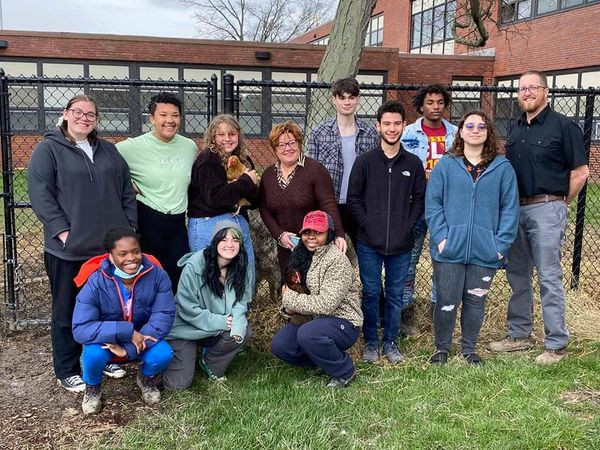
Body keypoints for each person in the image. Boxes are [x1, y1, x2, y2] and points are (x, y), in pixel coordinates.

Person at [28, 94, 137, 393]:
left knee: (107, 308)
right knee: (67, 310)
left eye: (91, 114)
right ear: (65, 114)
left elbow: (127, 191)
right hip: (68, 251)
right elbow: (41, 194)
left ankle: (105, 356)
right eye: (78, 112)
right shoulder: (48, 150)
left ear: (96, 120)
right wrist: (63, 232)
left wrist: (130, 229)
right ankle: (67, 368)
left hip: (107, 252)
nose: (84, 118)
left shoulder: (109, 152)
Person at [488, 70, 589, 364]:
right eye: (522, 89)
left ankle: (556, 343)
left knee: (548, 276)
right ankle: (519, 335)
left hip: (547, 207)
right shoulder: (517, 128)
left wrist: (560, 203)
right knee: (518, 275)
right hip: (515, 210)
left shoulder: (563, 127)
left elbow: (581, 172)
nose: (527, 93)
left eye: (533, 88)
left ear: (546, 92)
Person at [425, 111, 519, 366]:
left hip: (485, 251)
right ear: (461, 132)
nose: (475, 130)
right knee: (446, 300)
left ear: (488, 132)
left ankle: (469, 349)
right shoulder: (446, 165)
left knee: (476, 300)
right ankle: (442, 349)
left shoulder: (502, 168)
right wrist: (442, 238)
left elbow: (510, 209)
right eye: (470, 126)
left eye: (481, 126)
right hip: (449, 250)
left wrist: (499, 246)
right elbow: (433, 205)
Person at [347, 100, 426, 365]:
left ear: (404, 126)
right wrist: (368, 225)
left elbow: (419, 200)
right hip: (369, 242)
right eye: (387, 124)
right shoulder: (365, 162)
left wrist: (408, 227)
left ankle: (391, 342)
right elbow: (353, 199)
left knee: (395, 295)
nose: (392, 129)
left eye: (397, 123)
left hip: (402, 245)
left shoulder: (413, 164)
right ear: (378, 126)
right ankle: (370, 342)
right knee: (370, 293)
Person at [72, 228, 175, 414]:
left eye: (136, 251)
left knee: (162, 353)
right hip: (107, 340)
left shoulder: (158, 275)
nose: (132, 258)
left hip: (143, 338)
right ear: (110, 256)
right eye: (123, 254)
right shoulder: (96, 281)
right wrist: (127, 332)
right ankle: (93, 388)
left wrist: (128, 348)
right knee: (93, 355)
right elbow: (80, 328)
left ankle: (146, 378)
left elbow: (163, 316)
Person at [271, 211, 362, 388]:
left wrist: (289, 300)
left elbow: (326, 304)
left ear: (329, 233)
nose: (311, 237)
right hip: (314, 319)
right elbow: (297, 293)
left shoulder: (337, 260)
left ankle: (344, 371)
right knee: (280, 345)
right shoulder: (301, 256)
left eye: (318, 232)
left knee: (308, 334)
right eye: (307, 232)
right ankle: (323, 362)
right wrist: (289, 308)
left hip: (343, 321)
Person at [116, 92, 197, 289]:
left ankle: (174, 318)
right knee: (148, 278)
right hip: (148, 219)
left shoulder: (189, 147)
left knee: (178, 278)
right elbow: (104, 162)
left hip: (178, 223)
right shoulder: (131, 147)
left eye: (175, 115)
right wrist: (126, 183)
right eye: (163, 115)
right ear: (152, 118)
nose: (170, 120)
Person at [163, 221, 253, 389]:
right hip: (186, 329)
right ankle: (152, 371)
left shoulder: (242, 266)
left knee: (244, 331)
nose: (230, 245)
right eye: (224, 239)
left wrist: (237, 323)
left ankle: (211, 363)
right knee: (178, 385)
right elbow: (186, 308)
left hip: (217, 326)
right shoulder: (195, 265)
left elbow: (243, 300)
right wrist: (221, 321)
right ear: (215, 241)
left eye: (235, 240)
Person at [400, 84, 458, 336]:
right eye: (430, 102)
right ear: (421, 106)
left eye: (440, 102)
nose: (435, 107)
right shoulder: (407, 132)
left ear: (445, 105)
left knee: (442, 260)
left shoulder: (457, 134)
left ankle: (439, 312)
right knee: (408, 260)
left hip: (445, 207)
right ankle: (405, 312)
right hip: (414, 205)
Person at [259, 121, 346, 277]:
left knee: (314, 287)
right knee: (291, 286)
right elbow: (264, 209)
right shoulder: (268, 175)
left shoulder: (316, 171)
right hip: (287, 245)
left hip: (315, 244)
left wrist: (339, 234)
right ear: (274, 150)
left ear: (299, 144)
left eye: (292, 142)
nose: (288, 148)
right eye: (281, 145)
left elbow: (328, 204)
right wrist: (279, 235)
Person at [186, 114, 259, 282]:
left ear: (238, 136)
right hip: (208, 223)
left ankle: (239, 308)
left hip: (238, 220)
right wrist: (246, 182)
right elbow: (215, 198)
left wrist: (250, 187)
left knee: (243, 277)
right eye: (221, 135)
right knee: (210, 278)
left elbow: (254, 201)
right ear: (213, 137)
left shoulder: (244, 160)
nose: (227, 139)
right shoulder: (208, 160)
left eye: (232, 134)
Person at [307, 77, 379, 245]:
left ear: (358, 100)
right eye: (342, 97)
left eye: (351, 97)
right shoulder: (319, 132)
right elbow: (312, 173)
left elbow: (375, 172)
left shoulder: (369, 133)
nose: (347, 102)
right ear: (334, 99)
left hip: (361, 204)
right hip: (330, 203)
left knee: (364, 253)